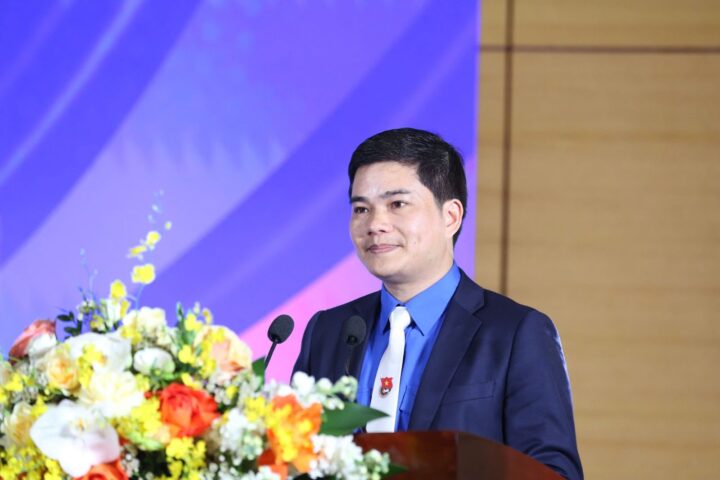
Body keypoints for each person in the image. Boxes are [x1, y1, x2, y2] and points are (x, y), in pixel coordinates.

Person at [293, 128, 583, 479]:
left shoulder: (515, 333)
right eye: (361, 208)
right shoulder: (328, 330)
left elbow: (554, 472)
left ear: (451, 217)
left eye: (397, 204)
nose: (375, 224)